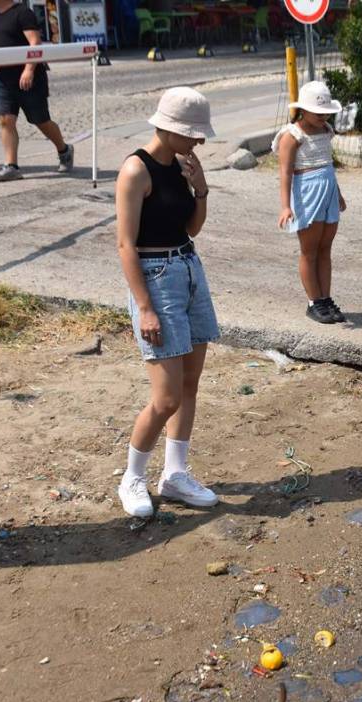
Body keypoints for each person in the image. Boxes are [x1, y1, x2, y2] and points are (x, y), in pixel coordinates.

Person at [114, 87, 220, 518]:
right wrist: (144, 307)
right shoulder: (135, 171)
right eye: (193, 134)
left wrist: (201, 190)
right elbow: (124, 245)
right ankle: (132, 477)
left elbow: (191, 230)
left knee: (190, 384)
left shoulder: (182, 166)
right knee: (166, 397)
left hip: (189, 270)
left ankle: (174, 474)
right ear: (170, 128)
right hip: (154, 278)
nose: (199, 142)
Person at [273, 80, 347, 325]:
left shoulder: (326, 130)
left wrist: (338, 194)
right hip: (307, 194)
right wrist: (286, 205)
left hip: (327, 191)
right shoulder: (292, 135)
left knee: (325, 248)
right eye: (318, 112)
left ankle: (325, 298)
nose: (323, 116)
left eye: (326, 112)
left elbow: (328, 165)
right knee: (309, 250)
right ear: (303, 109)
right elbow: (285, 172)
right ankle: (313, 301)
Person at [0, 0, 73, 181]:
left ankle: (64, 149)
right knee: (5, 120)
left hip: (28, 78)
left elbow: (35, 43)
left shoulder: (22, 13)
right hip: (3, 78)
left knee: (41, 121)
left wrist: (29, 70)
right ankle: (11, 166)